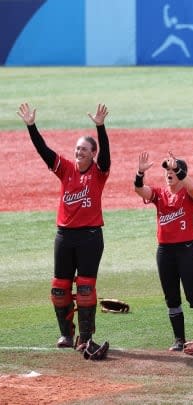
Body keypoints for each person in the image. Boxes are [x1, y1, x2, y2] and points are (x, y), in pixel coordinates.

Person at [17, 102, 111, 351]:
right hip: (64, 237)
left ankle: (86, 337)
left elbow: (106, 157)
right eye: (77, 148)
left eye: (84, 149)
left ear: (92, 153)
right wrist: (31, 126)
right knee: (59, 288)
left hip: (90, 237)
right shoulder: (66, 169)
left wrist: (100, 127)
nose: (79, 152)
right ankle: (66, 335)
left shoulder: (99, 172)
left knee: (85, 288)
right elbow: (44, 151)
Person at [134, 151, 193, 353]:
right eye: (167, 171)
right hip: (165, 251)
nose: (168, 173)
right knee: (171, 298)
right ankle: (179, 339)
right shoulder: (160, 194)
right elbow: (139, 190)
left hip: (186, 249)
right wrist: (140, 173)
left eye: (173, 170)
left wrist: (180, 170)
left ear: (181, 174)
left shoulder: (188, 193)